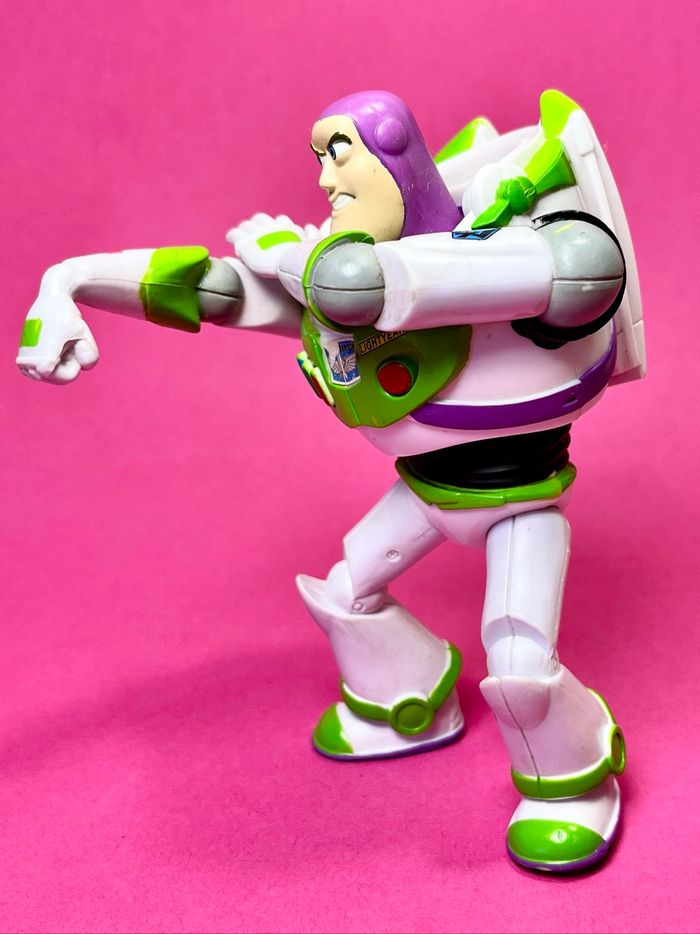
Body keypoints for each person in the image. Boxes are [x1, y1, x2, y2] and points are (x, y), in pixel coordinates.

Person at [17, 89, 643, 873]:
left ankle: (572, 784)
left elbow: (563, 274)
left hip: (519, 498)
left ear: (396, 155)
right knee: (347, 592)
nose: (324, 179)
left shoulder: (521, 254)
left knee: (517, 658)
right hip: (425, 487)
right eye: (319, 158)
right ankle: (408, 699)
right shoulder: (336, 279)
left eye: (340, 154)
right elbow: (214, 289)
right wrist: (70, 279)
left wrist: (296, 258)